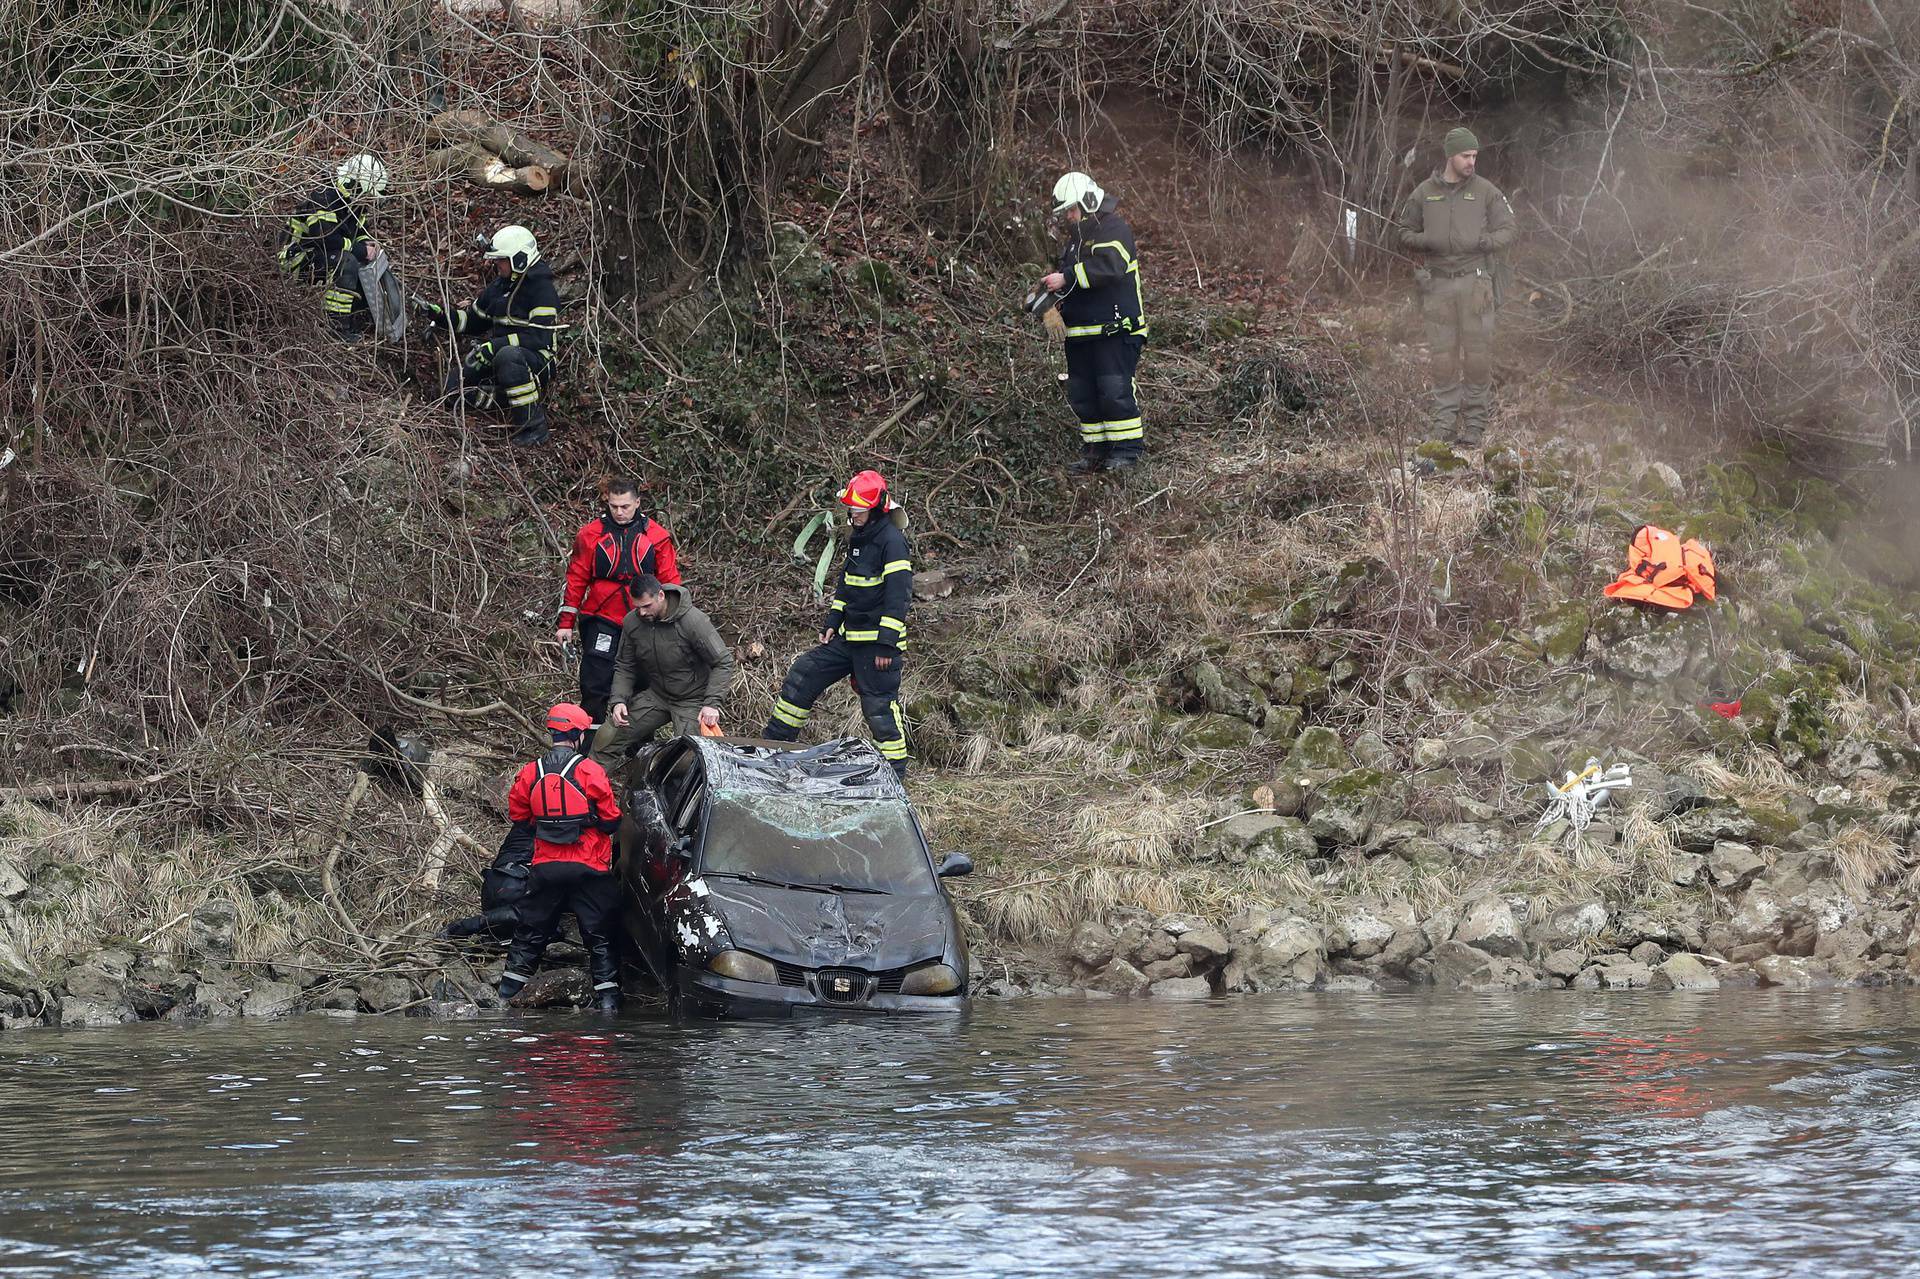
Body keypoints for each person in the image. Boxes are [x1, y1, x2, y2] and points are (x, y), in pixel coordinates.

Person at [762, 469, 913, 779]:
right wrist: (833, 619)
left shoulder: (892, 542)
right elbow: (847, 585)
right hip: (849, 638)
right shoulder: (859, 537)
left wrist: (886, 643)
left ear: (875, 508)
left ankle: (894, 773)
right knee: (805, 671)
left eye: (857, 510)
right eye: (850, 509)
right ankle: (775, 744)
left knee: (879, 709)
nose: (852, 514)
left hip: (878, 645)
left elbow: (899, 598)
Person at [1396, 126, 1517, 449]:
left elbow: (1509, 228)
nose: (1471, 162)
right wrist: (1427, 241)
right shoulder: (1424, 193)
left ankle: (1475, 425)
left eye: (1475, 156)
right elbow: (1403, 231)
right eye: (1466, 156)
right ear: (1451, 155)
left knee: (1477, 357)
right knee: (1442, 357)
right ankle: (1444, 424)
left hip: (1475, 283)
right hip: (1437, 285)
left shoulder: (1485, 191)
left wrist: (1485, 242)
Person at [499, 702, 625, 1011]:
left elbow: (520, 816)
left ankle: (505, 994)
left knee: (530, 929)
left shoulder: (530, 772)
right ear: (579, 735)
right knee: (600, 933)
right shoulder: (590, 771)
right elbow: (611, 820)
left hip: (546, 866)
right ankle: (609, 1003)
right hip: (588, 866)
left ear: (553, 733)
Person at [1036, 171, 1148, 475]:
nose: (1069, 217)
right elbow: (1063, 284)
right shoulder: (1075, 242)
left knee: (1114, 391)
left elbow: (1109, 267)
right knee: (1084, 395)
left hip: (1115, 331)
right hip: (1081, 336)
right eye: (1066, 212)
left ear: (1088, 201)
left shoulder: (1114, 229)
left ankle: (1126, 453)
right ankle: (1095, 453)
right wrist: (1046, 305)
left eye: (1072, 210)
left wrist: (1067, 276)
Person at [424, 224, 563, 447]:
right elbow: (471, 321)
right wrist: (443, 316)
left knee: (508, 356)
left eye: (501, 260)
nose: (496, 264)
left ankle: (533, 426)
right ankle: (503, 399)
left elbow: (538, 339)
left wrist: (495, 346)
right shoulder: (500, 286)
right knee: (451, 390)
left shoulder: (542, 291)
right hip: (499, 354)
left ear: (519, 259)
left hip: (537, 360)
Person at [557, 479, 681, 727]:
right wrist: (565, 624)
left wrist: (675, 621)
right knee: (595, 680)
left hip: (643, 619)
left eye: (625, 506)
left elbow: (671, 583)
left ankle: (638, 745)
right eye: (614, 506)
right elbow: (576, 579)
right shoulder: (590, 535)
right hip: (602, 618)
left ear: (637, 502)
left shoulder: (656, 536)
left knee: (642, 682)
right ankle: (589, 742)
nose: (619, 512)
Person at [592, 575, 735, 769]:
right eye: (637, 607)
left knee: (691, 760)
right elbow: (625, 665)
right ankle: (586, 791)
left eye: (647, 606)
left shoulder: (692, 621)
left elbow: (723, 661)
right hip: (658, 695)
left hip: (692, 699)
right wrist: (618, 700)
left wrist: (712, 703)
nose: (642, 612)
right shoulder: (633, 623)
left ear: (661, 595)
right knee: (607, 737)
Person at [278, 153, 389, 337]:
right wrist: (359, 250)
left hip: (317, 259)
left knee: (358, 261)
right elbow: (325, 238)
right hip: (293, 261)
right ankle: (336, 326)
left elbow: (360, 233)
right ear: (354, 185)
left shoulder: (353, 205)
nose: (368, 200)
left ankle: (354, 315)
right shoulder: (324, 198)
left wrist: (368, 246)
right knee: (345, 262)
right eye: (366, 194)